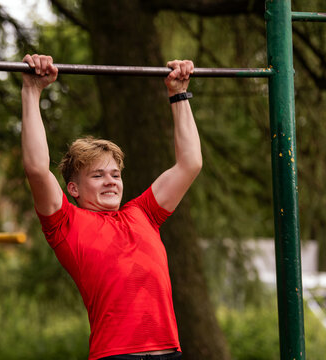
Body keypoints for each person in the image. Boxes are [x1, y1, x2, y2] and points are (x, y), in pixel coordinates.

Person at [21, 54, 201, 360]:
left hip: (169, 352)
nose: (111, 181)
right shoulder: (65, 224)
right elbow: (37, 169)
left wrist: (179, 93)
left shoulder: (143, 213)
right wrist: (31, 91)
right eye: (98, 175)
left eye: (115, 174)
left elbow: (190, 163)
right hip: (115, 356)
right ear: (73, 189)